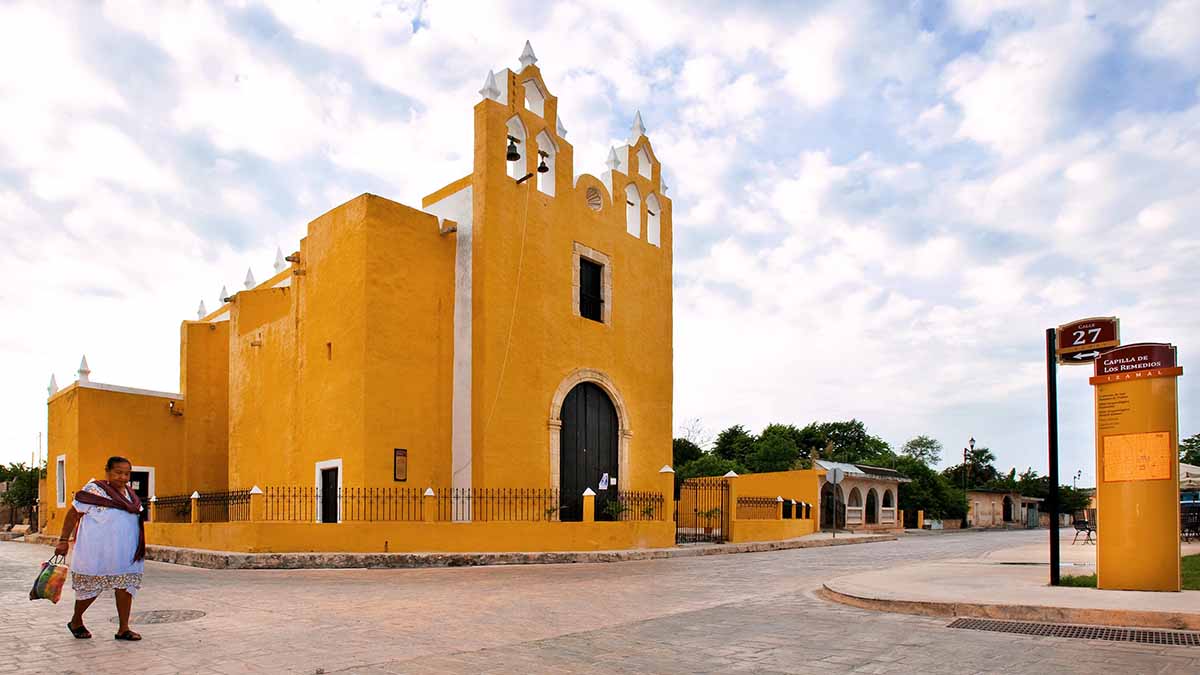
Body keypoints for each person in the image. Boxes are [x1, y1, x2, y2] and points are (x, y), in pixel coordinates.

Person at [55, 456, 145, 641]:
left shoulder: (131, 495)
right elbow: (73, 514)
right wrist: (63, 540)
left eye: (127, 473)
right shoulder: (94, 490)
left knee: (125, 587)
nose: (123, 477)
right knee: (90, 588)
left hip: (125, 551)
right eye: (118, 472)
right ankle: (76, 621)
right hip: (95, 550)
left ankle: (123, 629)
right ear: (108, 471)